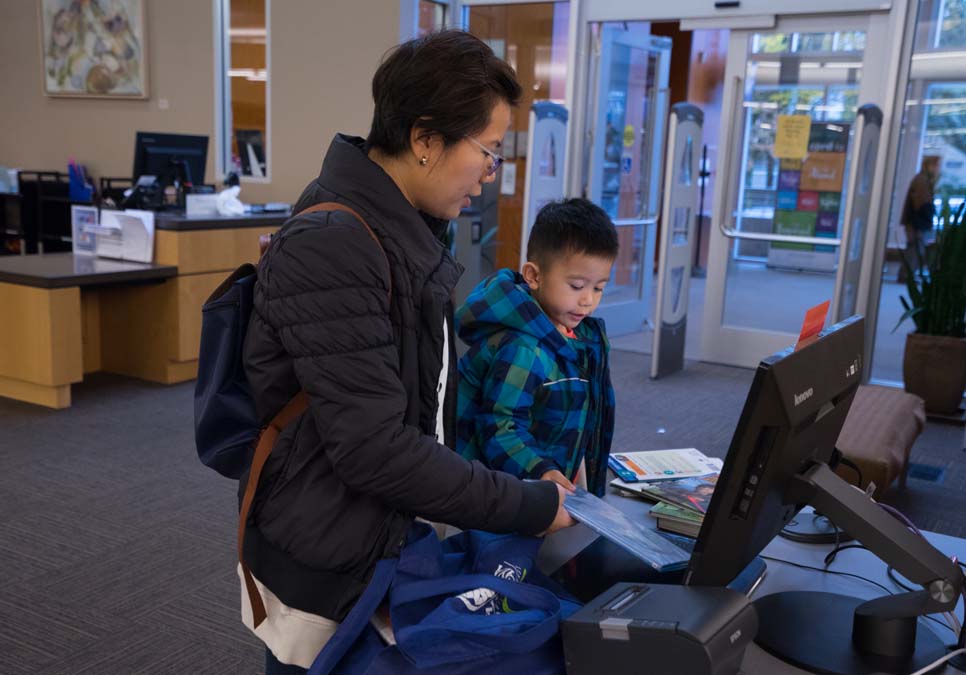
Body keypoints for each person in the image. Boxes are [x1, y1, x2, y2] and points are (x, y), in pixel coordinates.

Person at [241, 30, 574, 673]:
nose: (489, 172)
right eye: (489, 151)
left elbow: (422, 395)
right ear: (424, 140)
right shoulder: (336, 245)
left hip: (373, 527)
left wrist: (516, 476)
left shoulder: (400, 231)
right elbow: (375, 448)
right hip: (328, 545)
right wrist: (526, 505)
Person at [455, 198, 619, 497]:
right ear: (533, 276)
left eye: (598, 288)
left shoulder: (579, 335)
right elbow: (500, 425)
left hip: (540, 481)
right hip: (498, 489)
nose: (588, 300)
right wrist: (540, 469)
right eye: (577, 285)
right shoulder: (523, 347)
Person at [900, 154, 940, 279]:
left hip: (916, 221)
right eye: (937, 165)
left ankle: (906, 275)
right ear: (930, 165)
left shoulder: (923, 179)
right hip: (916, 222)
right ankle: (906, 276)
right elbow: (922, 204)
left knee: (915, 250)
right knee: (915, 250)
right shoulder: (922, 181)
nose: (938, 169)